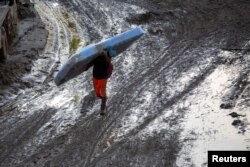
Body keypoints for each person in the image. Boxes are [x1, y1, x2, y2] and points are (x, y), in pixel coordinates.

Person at [90, 50, 113, 115]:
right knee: (97, 94)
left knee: (103, 94)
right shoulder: (97, 58)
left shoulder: (107, 62)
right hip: (96, 77)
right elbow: (91, 63)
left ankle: (102, 109)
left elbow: (108, 61)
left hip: (102, 78)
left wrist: (105, 54)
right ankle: (104, 100)